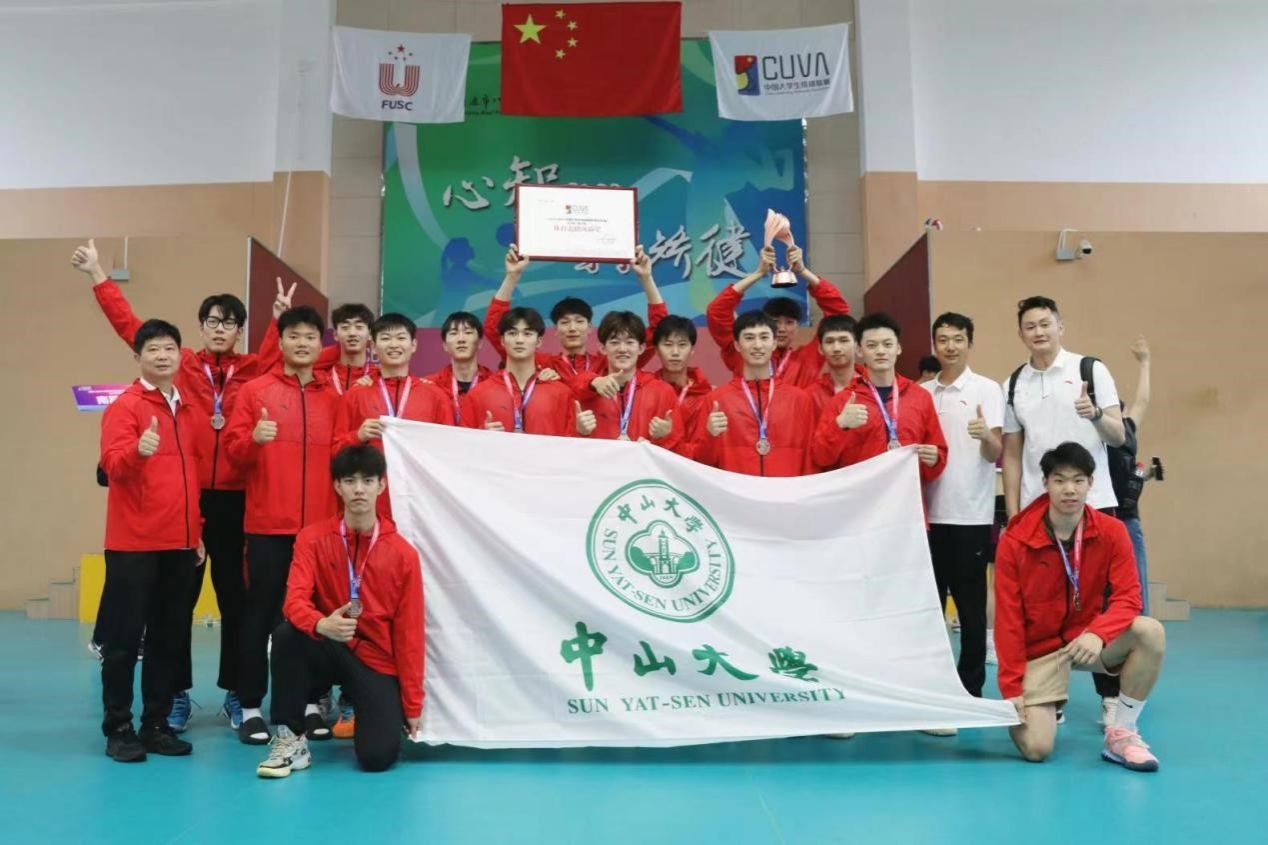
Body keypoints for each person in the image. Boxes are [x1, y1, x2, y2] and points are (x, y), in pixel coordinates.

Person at [72, 238, 290, 732]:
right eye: (212, 320)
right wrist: (99, 275)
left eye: (229, 322)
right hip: (185, 500)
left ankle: (237, 692)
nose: (220, 328)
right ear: (201, 326)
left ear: (240, 331)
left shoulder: (254, 368)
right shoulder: (182, 363)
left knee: (237, 600)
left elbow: (283, 352)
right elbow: (131, 328)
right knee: (176, 605)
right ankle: (174, 694)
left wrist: (278, 320)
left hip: (237, 499)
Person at [995, 442, 1165, 772]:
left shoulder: (1112, 531)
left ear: (1090, 483)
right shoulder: (1016, 540)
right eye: (1059, 480)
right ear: (1045, 483)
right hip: (1038, 651)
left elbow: (1129, 597)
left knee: (1150, 632)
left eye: (1078, 480)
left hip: (1085, 641)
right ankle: (1042, 701)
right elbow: (1008, 620)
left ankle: (1122, 734)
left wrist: (1098, 633)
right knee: (1037, 749)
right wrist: (1011, 688)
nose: (1069, 490)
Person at [257, 445, 424, 777]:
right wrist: (321, 624)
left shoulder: (403, 555)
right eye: (349, 481)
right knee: (286, 636)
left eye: (367, 481)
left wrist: (412, 705)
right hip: (328, 646)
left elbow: (410, 634)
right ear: (337, 486)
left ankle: (368, 711)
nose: (359, 489)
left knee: (377, 758)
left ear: (382, 485)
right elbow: (294, 601)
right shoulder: (312, 539)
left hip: (374, 660)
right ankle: (291, 739)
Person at [1002, 296, 1127, 725]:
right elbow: (1012, 454)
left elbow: (1118, 435)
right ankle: (1051, 695)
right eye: (1030, 326)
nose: (1038, 332)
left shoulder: (1091, 370)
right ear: (1021, 334)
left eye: (1045, 323)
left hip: (1094, 504)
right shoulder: (1013, 383)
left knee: (1101, 604)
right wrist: (1014, 512)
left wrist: (1094, 415)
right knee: (1045, 606)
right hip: (1041, 513)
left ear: (1060, 326)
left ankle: (1111, 697)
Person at [224, 306, 342, 745]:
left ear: (319, 343)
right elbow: (233, 453)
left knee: (314, 615)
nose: (303, 343)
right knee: (260, 617)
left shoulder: (333, 397)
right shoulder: (254, 391)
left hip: (318, 531)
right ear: (282, 340)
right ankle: (251, 707)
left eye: (311, 336)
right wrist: (253, 440)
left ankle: (309, 704)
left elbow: (344, 454)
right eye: (294, 335)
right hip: (268, 526)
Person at [97, 319, 205, 762]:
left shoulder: (188, 409)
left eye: (169, 348)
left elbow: (192, 476)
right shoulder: (125, 407)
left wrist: (196, 530)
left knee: (168, 638)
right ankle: (119, 728)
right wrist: (136, 452)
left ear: (180, 355)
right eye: (153, 349)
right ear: (137, 357)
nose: (162, 356)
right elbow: (111, 466)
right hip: (134, 544)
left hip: (179, 544)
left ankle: (156, 724)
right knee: (124, 641)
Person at [922, 313, 1004, 703]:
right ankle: (931, 684)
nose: (950, 346)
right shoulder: (921, 393)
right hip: (926, 518)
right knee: (929, 608)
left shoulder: (987, 389)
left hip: (970, 515)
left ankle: (970, 688)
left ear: (970, 343)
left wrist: (985, 435)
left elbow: (995, 451)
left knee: (970, 609)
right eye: (943, 339)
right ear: (934, 344)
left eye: (958, 339)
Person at [484, 245, 666, 396]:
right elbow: (495, 329)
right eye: (564, 322)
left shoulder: (610, 362)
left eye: (579, 321)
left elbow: (660, 332)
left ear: (590, 327)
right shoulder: (541, 363)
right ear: (555, 330)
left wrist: (646, 278)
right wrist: (512, 276)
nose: (572, 328)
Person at [335, 313, 451, 518]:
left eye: (401, 337)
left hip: (421, 499)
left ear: (413, 345)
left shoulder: (435, 395)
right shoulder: (355, 394)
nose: (394, 344)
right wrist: (358, 436)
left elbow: (448, 450)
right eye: (386, 338)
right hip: (371, 501)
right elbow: (335, 450)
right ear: (373, 346)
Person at [812, 313, 947, 480]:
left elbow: (938, 452)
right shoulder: (842, 401)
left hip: (906, 493)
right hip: (861, 493)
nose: (881, 351)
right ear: (859, 350)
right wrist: (840, 425)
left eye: (888, 344)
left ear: (898, 348)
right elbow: (821, 458)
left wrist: (935, 460)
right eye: (872, 345)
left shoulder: (920, 397)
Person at [690, 311, 816, 476]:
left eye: (764, 337)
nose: (757, 345)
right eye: (749, 338)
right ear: (737, 345)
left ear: (774, 343)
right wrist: (710, 436)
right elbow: (701, 464)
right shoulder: (716, 401)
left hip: (786, 490)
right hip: (735, 491)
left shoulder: (799, 400)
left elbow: (809, 459)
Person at [706, 244, 850, 387]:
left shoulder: (808, 358)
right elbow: (717, 311)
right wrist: (758, 273)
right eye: (775, 321)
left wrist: (803, 271)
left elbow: (838, 313)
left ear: (797, 327)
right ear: (765, 325)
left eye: (789, 322)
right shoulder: (744, 354)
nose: (781, 329)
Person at [460, 307, 577, 436]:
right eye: (512, 333)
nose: (519, 340)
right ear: (502, 341)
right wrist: (482, 435)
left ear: (539, 341)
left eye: (527, 334)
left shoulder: (561, 393)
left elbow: (571, 443)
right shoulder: (478, 394)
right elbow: (463, 442)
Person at [575, 311, 681, 450]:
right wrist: (581, 432)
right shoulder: (589, 390)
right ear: (602, 348)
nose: (622, 349)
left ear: (641, 348)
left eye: (630, 342)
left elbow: (680, 450)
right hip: (601, 463)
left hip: (642, 464)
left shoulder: (662, 391)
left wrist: (662, 438)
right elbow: (567, 446)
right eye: (614, 342)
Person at [1107, 335, 1153, 611]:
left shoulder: (1129, 430)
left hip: (1128, 516)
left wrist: (1145, 362)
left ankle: (1143, 623)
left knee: (1137, 576)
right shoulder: (1096, 432)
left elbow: (1143, 400)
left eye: (1119, 408)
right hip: (1103, 514)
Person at [650, 315, 712, 458]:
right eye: (668, 344)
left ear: (692, 350)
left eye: (682, 345)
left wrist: (668, 437)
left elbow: (702, 453)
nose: (675, 352)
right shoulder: (645, 390)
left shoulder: (706, 397)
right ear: (657, 350)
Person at [426, 311, 495, 425]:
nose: (461, 339)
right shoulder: (430, 386)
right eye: (454, 333)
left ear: (480, 343)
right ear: (445, 345)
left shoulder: (494, 384)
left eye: (468, 332)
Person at [315, 304, 378, 396]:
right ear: (335, 335)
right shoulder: (320, 379)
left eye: (359, 327)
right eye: (345, 327)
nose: (352, 333)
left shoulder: (378, 379)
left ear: (370, 335)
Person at [807, 314, 861, 418]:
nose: (836, 348)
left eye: (843, 340)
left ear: (857, 346)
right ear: (820, 349)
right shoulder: (810, 395)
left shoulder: (872, 387)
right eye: (829, 341)